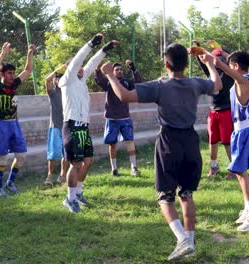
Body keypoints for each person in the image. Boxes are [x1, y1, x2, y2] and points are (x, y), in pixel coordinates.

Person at [100, 43, 222, 261]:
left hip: (169, 141)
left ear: (166, 64)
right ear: (186, 63)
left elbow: (125, 96)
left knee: (165, 197)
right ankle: (190, 241)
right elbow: (217, 85)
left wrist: (110, 75)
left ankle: (182, 239)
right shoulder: (195, 83)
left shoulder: (160, 86)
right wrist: (211, 65)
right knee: (186, 193)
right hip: (191, 141)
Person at [59, 34, 118, 213]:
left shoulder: (81, 80)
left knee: (88, 161)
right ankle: (69, 199)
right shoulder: (66, 80)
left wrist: (104, 49)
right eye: (77, 67)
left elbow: (91, 64)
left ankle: (78, 193)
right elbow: (79, 59)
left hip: (83, 126)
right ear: (71, 68)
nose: (81, 69)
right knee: (75, 164)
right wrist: (91, 43)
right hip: (71, 126)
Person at [213, 50, 249, 231]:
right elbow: (234, 67)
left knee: (240, 172)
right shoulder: (248, 78)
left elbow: (231, 72)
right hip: (242, 129)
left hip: (244, 130)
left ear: (235, 67)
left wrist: (217, 63)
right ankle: (248, 208)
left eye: (230, 65)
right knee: (239, 172)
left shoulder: (243, 81)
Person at [0, 42, 35, 198]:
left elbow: (28, 70)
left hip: (14, 123)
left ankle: (10, 182)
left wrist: (29, 53)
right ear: (2, 75)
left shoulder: (14, 84)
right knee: (2, 159)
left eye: (13, 73)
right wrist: (3, 54)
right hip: (0, 124)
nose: (12, 76)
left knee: (21, 156)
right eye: (9, 73)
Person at [192, 40, 235, 179]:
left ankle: (234, 169)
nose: (215, 59)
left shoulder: (229, 73)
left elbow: (231, 59)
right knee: (212, 141)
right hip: (213, 111)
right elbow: (204, 63)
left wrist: (221, 51)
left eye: (218, 57)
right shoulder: (213, 73)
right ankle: (214, 167)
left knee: (227, 142)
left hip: (226, 111)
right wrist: (199, 50)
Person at [95, 59, 142, 176]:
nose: (119, 71)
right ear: (113, 72)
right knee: (112, 144)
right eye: (117, 70)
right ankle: (114, 168)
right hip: (111, 119)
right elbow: (98, 77)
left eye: (121, 69)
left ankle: (134, 167)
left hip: (125, 118)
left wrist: (133, 67)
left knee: (130, 141)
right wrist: (99, 66)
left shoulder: (127, 82)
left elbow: (138, 82)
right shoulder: (108, 82)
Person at [44, 65, 70, 186]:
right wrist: (59, 69)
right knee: (53, 154)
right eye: (57, 78)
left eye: (61, 77)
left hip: (67, 127)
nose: (59, 79)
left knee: (65, 153)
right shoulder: (52, 93)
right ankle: (49, 176)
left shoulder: (68, 92)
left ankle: (62, 176)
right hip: (54, 127)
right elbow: (47, 80)